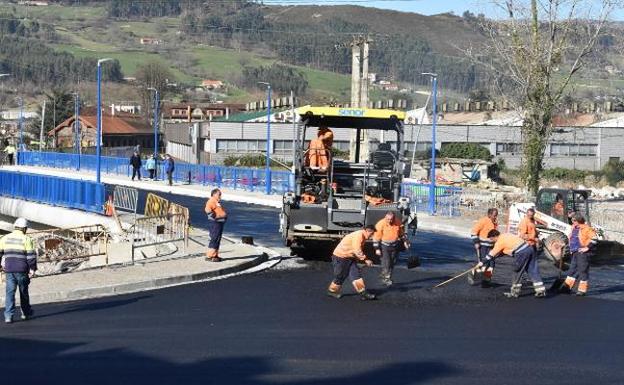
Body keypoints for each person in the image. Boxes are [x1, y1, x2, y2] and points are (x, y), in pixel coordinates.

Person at [478, 230, 546, 298]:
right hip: (530, 249)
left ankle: (514, 292)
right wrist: (496, 256)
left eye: (491, 239)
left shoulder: (500, 242)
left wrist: (482, 262)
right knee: (532, 270)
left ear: (494, 236)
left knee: (517, 271)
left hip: (521, 253)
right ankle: (541, 290)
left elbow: (491, 254)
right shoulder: (506, 234)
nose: (492, 241)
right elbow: (504, 250)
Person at [0, 218, 37, 323]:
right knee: (23, 291)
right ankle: (25, 313)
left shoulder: (4, 238)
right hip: (22, 270)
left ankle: (8, 316)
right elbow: (31, 256)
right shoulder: (26, 239)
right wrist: (33, 269)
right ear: (24, 228)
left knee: (10, 292)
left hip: (9, 270)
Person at [327, 225, 377, 301]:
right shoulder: (359, 235)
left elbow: (355, 250)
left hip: (350, 257)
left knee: (356, 274)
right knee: (340, 276)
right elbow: (357, 250)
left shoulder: (362, 236)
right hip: (341, 257)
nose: (372, 236)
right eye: (372, 233)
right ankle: (332, 291)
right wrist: (365, 259)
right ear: (368, 231)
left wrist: (357, 259)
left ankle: (363, 293)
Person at [560, 214, 597, 296]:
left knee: (582, 270)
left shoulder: (587, 229)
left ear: (578, 221)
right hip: (574, 252)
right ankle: (567, 287)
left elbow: (594, 239)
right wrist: (566, 244)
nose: (572, 222)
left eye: (574, 221)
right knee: (572, 270)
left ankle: (582, 290)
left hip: (583, 253)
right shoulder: (574, 227)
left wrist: (587, 248)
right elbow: (572, 237)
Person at [373, 211, 409, 287]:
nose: (390, 221)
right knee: (387, 262)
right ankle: (386, 279)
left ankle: (384, 274)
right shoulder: (380, 224)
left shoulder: (397, 222)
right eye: (388, 219)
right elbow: (376, 238)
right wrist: (377, 248)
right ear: (385, 218)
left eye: (391, 219)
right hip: (384, 246)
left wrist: (405, 241)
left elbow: (401, 234)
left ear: (394, 218)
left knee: (393, 262)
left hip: (394, 246)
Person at [469, 208, 498, 286]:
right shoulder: (483, 221)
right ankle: (473, 274)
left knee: (491, 264)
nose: (496, 217)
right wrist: (476, 242)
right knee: (484, 264)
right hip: (483, 247)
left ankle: (485, 281)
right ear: (489, 215)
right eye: (494, 216)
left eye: (496, 216)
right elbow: (473, 232)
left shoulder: (495, 223)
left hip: (491, 247)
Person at [205, 188, 227, 262]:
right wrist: (214, 217)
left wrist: (223, 216)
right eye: (219, 194)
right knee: (214, 238)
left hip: (219, 222)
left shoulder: (217, 201)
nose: (220, 196)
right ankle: (210, 256)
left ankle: (215, 255)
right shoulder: (211, 201)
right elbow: (207, 210)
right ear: (214, 194)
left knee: (217, 239)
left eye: (220, 194)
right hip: (215, 223)